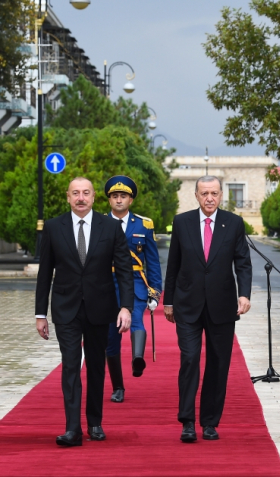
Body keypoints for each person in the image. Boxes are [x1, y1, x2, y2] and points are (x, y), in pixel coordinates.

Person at [35, 177, 134, 447]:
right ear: (68, 197)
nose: (81, 197)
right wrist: (40, 314)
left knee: (95, 367)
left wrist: (126, 307)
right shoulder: (54, 228)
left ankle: (94, 422)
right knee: (70, 366)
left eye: (86, 193)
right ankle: (72, 428)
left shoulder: (111, 228)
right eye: (75, 193)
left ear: (93, 198)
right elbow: (45, 273)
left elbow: (125, 270)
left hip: (100, 309)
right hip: (65, 309)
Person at [164, 175, 253, 443]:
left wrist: (245, 294)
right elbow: (173, 265)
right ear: (196, 195)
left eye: (214, 193)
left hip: (222, 306)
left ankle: (210, 422)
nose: (209, 198)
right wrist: (168, 301)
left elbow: (243, 263)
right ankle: (187, 421)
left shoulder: (234, 223)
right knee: (189, 359)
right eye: (204, 193)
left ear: (221, 195)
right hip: (188, 305)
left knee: (218, 364)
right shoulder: (182, 223)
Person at [104, 176, 162, 403]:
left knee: (135, 319)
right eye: (115, 196)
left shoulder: (144, 225)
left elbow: (153, 262)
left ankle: (138, 358)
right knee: (111, 335)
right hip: (106, 283)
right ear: (109, 200)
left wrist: (155, 292)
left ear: (131, 200)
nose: (119, 200)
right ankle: (118, 387)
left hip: (136, 280)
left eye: (123, 196)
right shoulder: (99, 223)